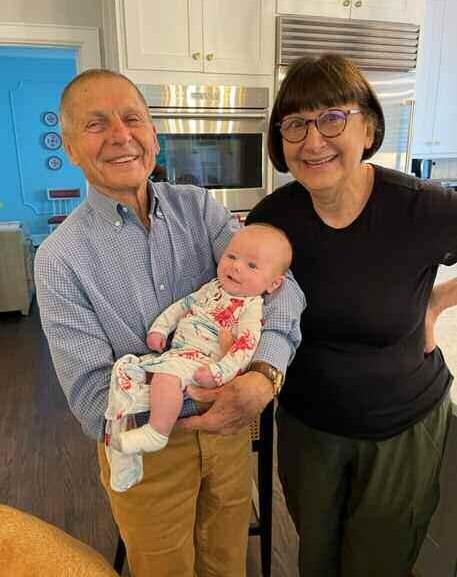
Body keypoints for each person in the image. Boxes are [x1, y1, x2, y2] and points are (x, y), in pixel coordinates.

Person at [34, 68, 304, 577]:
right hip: (146, 453)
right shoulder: (59, 259)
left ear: (153, 135)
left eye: (132, 118)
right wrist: (210, 392)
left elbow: (280, 286)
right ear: (70, 147)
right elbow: (93, 399)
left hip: (227, 439)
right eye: (96, 124)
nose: (121, 135)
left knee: (227, 562)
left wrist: (264, 373)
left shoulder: (198, 208)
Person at [246, 53, 457, 577]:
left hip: (401, 429)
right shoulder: (273, 219)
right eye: (295, 124)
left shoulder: (421, 208)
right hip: (309, 427)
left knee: (378, 563)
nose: (312, 140)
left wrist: (435, 302)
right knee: (316, 557)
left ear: (369, 128)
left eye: (332, 117)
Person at [105, 223, 292, 491]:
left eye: (252, 265)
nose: (236, 267)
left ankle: (157, 431)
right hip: (181, 354)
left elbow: (244, 348)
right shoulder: (212, 288)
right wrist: (160, 328)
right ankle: (128, 440)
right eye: (231, 256)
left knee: (166, 378)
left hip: (204, 363)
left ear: (273, 284)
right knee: (132, 373)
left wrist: (219, 372)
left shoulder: (250, 308)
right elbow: (181, 307)